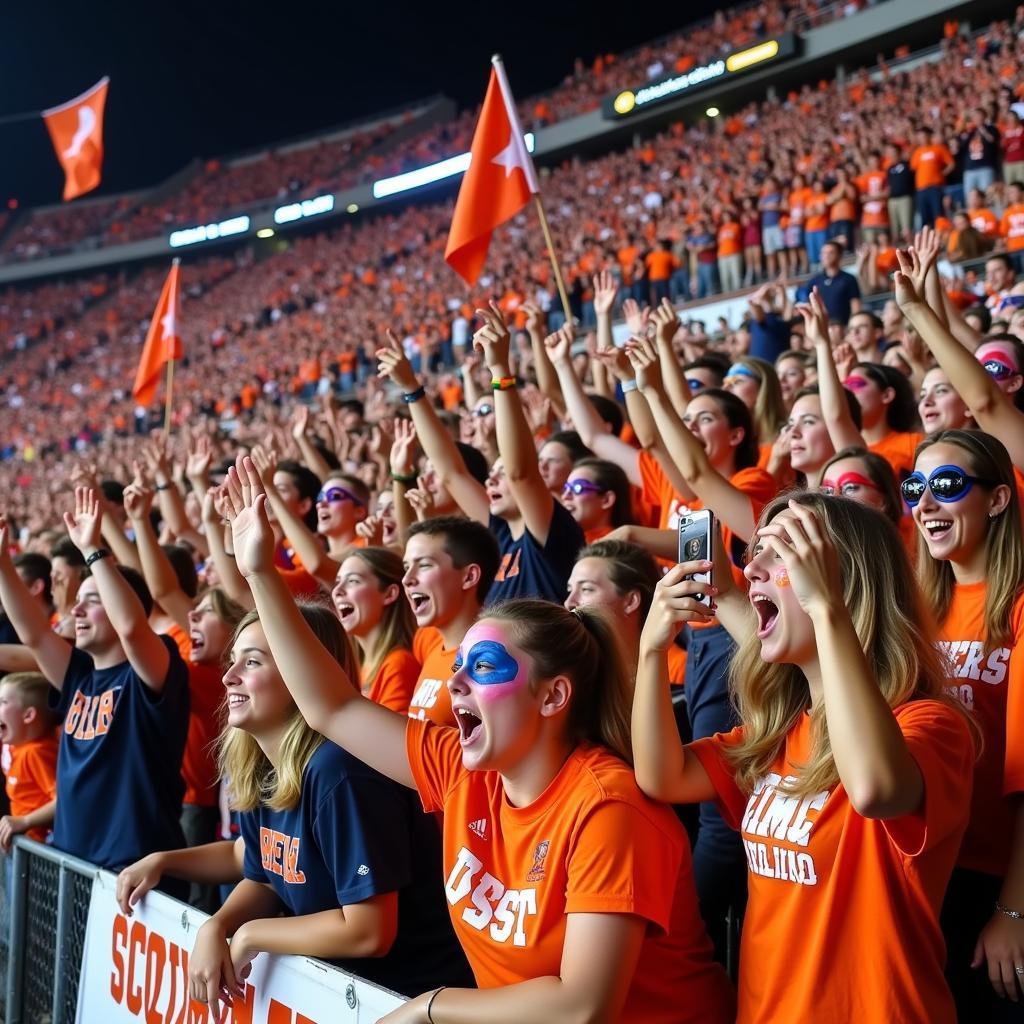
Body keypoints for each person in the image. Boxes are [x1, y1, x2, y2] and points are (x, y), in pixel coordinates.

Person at [217, 455, 735, 1023]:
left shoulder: (610, 807)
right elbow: (331, 707)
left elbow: (582, 1005)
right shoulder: (466, 771)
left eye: (484, 668)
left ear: (553, 696)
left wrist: (429, 1008)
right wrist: (260, 574)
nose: (455, 683)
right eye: (458, 665)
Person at [633, 491, 975, 1023]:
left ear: (841, 583)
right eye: (755, 554)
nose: (752, 571)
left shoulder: (931, 726)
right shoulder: (783, 731)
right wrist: (651, 651)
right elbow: (661, 777)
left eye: (780, 554)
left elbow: (874, 789)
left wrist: (825, 608)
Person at [115, 602, 470, 1011]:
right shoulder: (265, 762)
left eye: (252, 662)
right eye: (233, 661)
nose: (229, 677)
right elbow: (266, 873)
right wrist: (218, 922)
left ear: (304, 674)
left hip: (403, 1001)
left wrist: (249, 934)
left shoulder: (341, 771)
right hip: (341, 998)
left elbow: (369, 932)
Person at [0, 489, 190, 875]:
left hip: (132, 872)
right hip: (73, 863)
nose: (76, 609)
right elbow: (34, 633)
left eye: (94, 599)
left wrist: (93, 552)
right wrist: (3, 563)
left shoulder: (156, 666)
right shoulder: (80, 677)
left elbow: (133, 628)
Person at [906, 430, 1024, 1019]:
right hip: (927, 872)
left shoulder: (1021, 605)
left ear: (997, 499)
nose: (925, 505)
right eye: (914, 488)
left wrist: (1013, 910)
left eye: (946, 486)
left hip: (998, 878)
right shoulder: (915, 611)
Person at [378, 314, 583, 605]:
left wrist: (500, 369)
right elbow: (451, 472)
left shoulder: (547, 532)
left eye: (501, 472)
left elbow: (520, 473)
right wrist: (411, 389)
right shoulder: (497, 535)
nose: (492, 478)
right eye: (492, 473)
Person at [404, 517, 500, 727]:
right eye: (406, 566)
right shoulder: (432, 647)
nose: (407, 579)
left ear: (469, 577)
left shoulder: (488, 664)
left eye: (425, 565)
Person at [331, 546, 420, 712]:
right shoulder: (355, 666)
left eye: (353, 581)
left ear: (389, 594)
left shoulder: (399, 664)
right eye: (338, 582)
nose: (337, 591)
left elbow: (390, 737)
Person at [564, 538, 662, 675]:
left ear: (631, 601)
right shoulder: (570, 675)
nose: (569, 602)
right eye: (570, 590)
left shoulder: (671, 677)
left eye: (586, 589)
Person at [0, 672, 58, 849]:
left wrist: (25, 821)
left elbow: (63, 801)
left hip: (39, 852)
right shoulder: (15, 746)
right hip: (23, 847)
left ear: (28, 716)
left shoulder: (36, 753)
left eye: (3, 702)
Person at [561, 457, 633, 544]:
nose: (565, 496)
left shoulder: (621, 549)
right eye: (566, 488)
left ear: (606, 500)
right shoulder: (567, 541)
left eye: (577, 488)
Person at [803, 241, 861, 325]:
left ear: (839, 255)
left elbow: (856, 307)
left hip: (843, 328)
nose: (826, 256)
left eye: (831, 253)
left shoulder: (849, 279)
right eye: (823, 253)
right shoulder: (813, 281)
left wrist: (852, 327)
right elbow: (809, 307)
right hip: (821, 328)